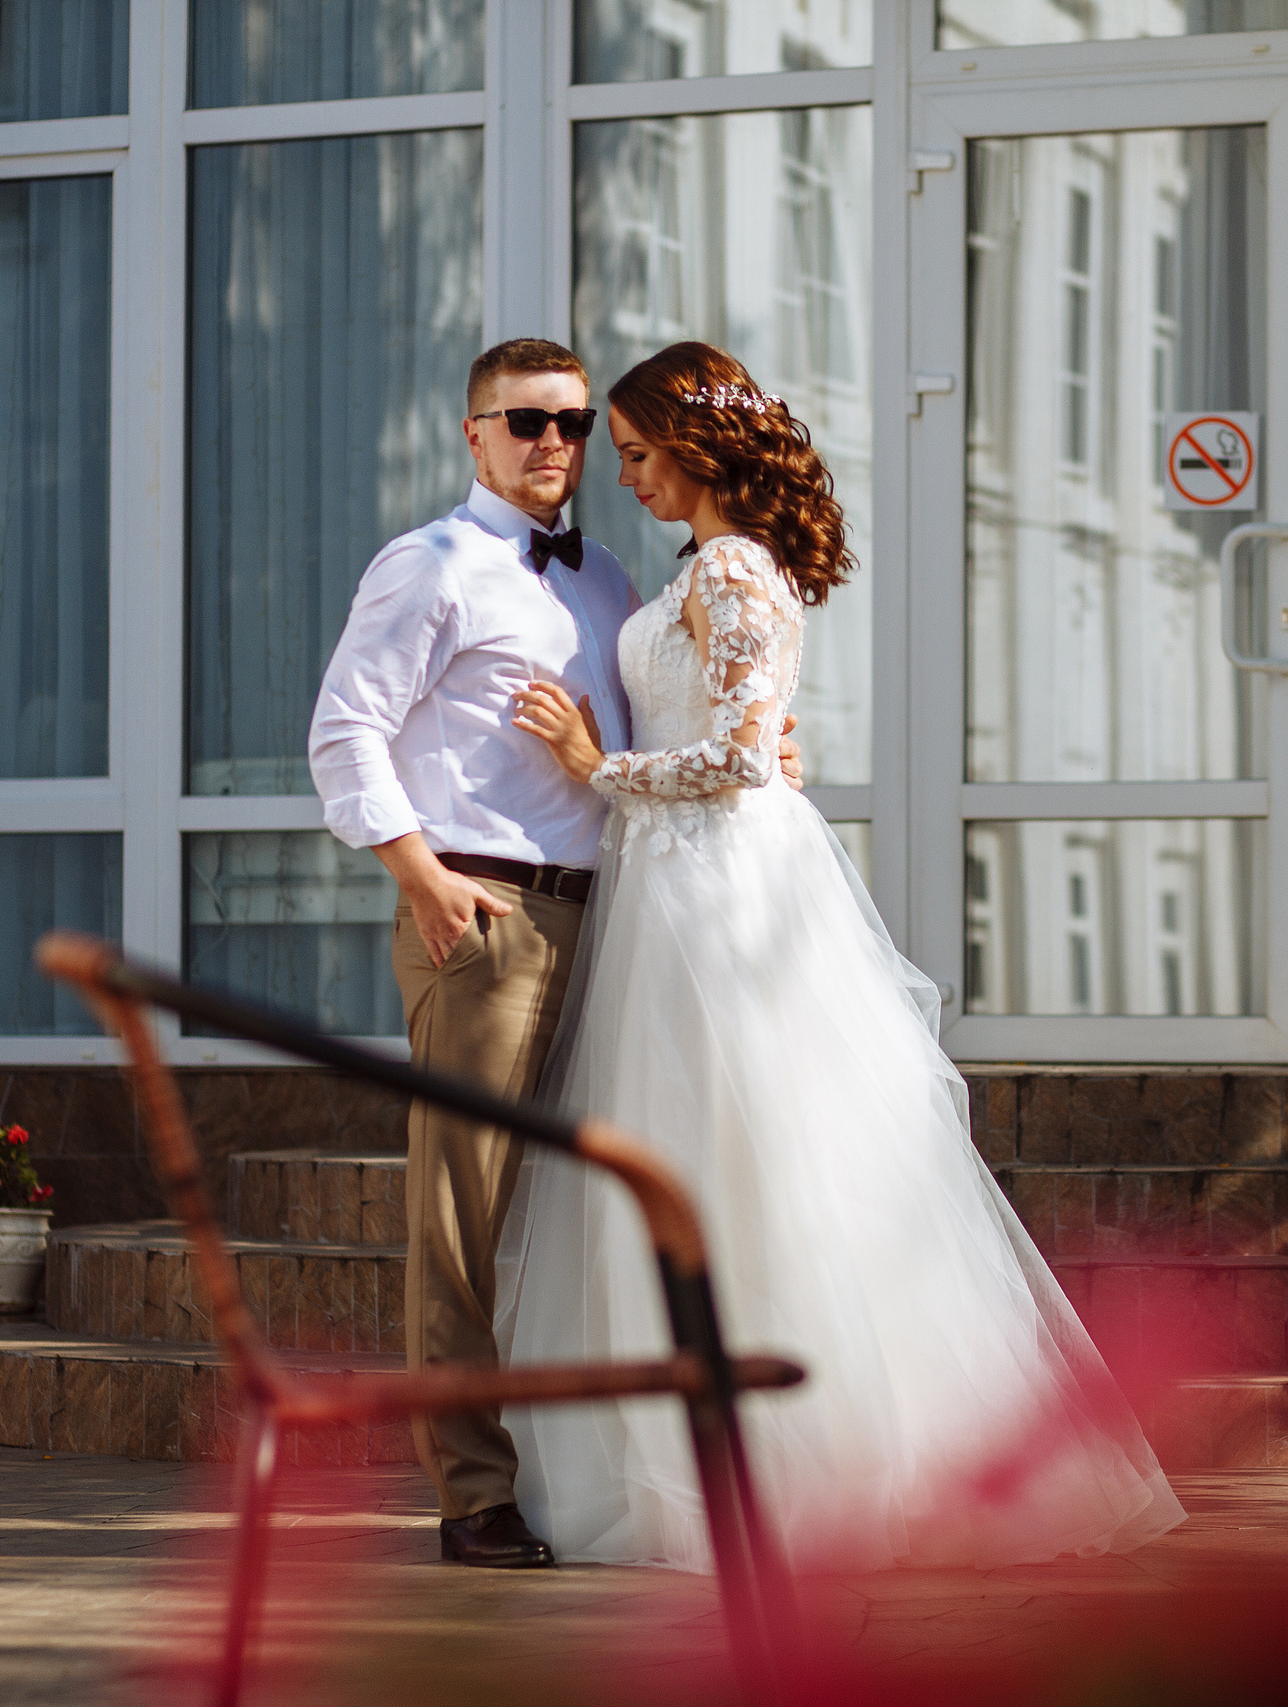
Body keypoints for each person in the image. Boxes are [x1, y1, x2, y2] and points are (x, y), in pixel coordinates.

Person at [502, 342, 1184, 1572]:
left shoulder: (736, 573)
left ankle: (819, 1467)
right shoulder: (706, 571)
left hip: (726, 889)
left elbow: (745, 761)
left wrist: (591, 766)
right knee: (697, 1156)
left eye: (645, 455)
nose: (630, 479)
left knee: (764, 1157)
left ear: (700, 449)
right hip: (678, 881)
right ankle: (702, 1463)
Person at [308, 338, 801, 1570]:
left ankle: (596, 1474)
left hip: (630, 921)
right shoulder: (428, 566)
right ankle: (473, 1492)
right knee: (462, 1220)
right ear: (473, 433)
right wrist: (417, 873)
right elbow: (343, 730)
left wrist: (768, 763)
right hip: (485, 919)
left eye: (577, 426)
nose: (555, 447)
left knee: (581, 1218)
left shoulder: (614, 574)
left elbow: (668, 734)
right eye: (526, 422)